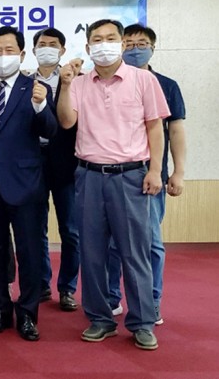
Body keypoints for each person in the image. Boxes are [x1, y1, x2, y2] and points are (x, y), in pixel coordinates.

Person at [57, 19, 169, 351]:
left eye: (110, 38)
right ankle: (100, 319)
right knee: (92, 252)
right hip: (89, 175)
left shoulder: (143, 79)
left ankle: (142, 322)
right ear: (88, 47)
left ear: (121, 44)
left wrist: (155, 171)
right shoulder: (79, 83)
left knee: (135, 252)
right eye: (96, 39)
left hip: (131, 176)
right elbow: (66, 121)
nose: (103, 44)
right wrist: (65, 84)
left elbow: (155, 128)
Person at [0, 26, 57, 342]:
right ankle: (0, 310)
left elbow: (50, 131)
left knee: (29, 251)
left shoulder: (36, 89)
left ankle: (28, 313)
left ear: (21, 54)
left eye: (9, 51)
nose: (3, 56)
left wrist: (40, 106)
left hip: (26, 183)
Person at [106, 23, 187, 325]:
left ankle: (151, 302)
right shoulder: (105, 82)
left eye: (141, 44)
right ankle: (111, 298)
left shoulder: (166, 85)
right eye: (128, 43)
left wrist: (177, 172)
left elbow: (175, 130)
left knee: (150, 241)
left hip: (151, 176)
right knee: (111, 243)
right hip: (111, 174)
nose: (134, 49)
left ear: (153, 48)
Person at [31, 28, 80, 311]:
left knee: (71, 229)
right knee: (35, 228)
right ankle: (41, 284)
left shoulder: (74, 80)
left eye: (53, 44)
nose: (47, 48)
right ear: (33, 50)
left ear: (62, 50)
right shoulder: (25, 82)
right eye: (42, 44)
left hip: (66, 163)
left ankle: (68, 288)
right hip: (33, 162)